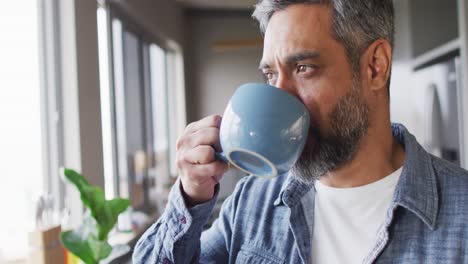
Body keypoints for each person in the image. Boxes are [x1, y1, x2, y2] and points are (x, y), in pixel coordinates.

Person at [133, 0, 468, 263]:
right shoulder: (253, 203)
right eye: (270, 75)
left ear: (374, 67)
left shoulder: (461, 215)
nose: (279, 95)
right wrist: (191, 195)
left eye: (304, 68)